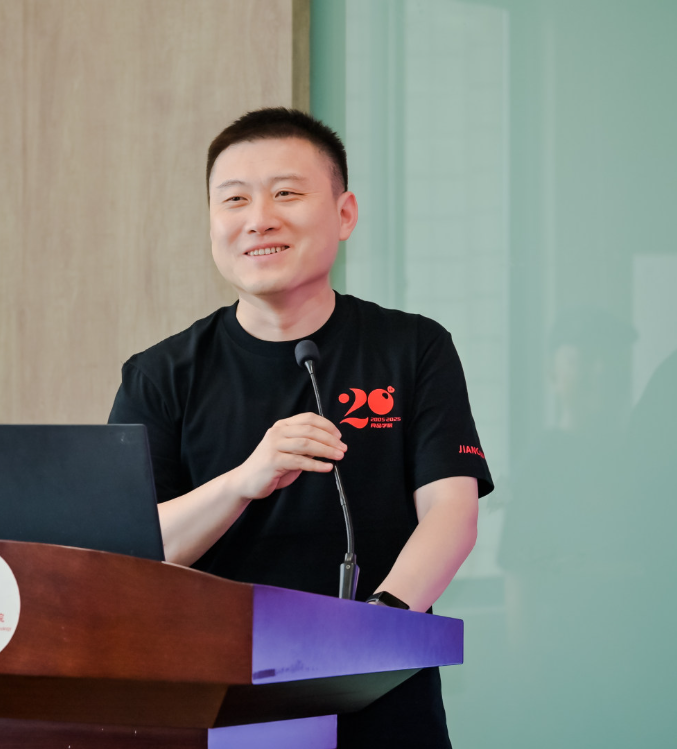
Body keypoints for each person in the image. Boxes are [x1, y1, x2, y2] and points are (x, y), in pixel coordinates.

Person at [108, 108, 493, 746]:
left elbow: (452, 513)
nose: (259, 218)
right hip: (215, 703)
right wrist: (243, 481)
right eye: (235, 199)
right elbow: (133, 553)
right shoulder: (160, 374)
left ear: (344, 214)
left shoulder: (413, 347)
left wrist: (374, 630)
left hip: (380, 692)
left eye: (286, 193)